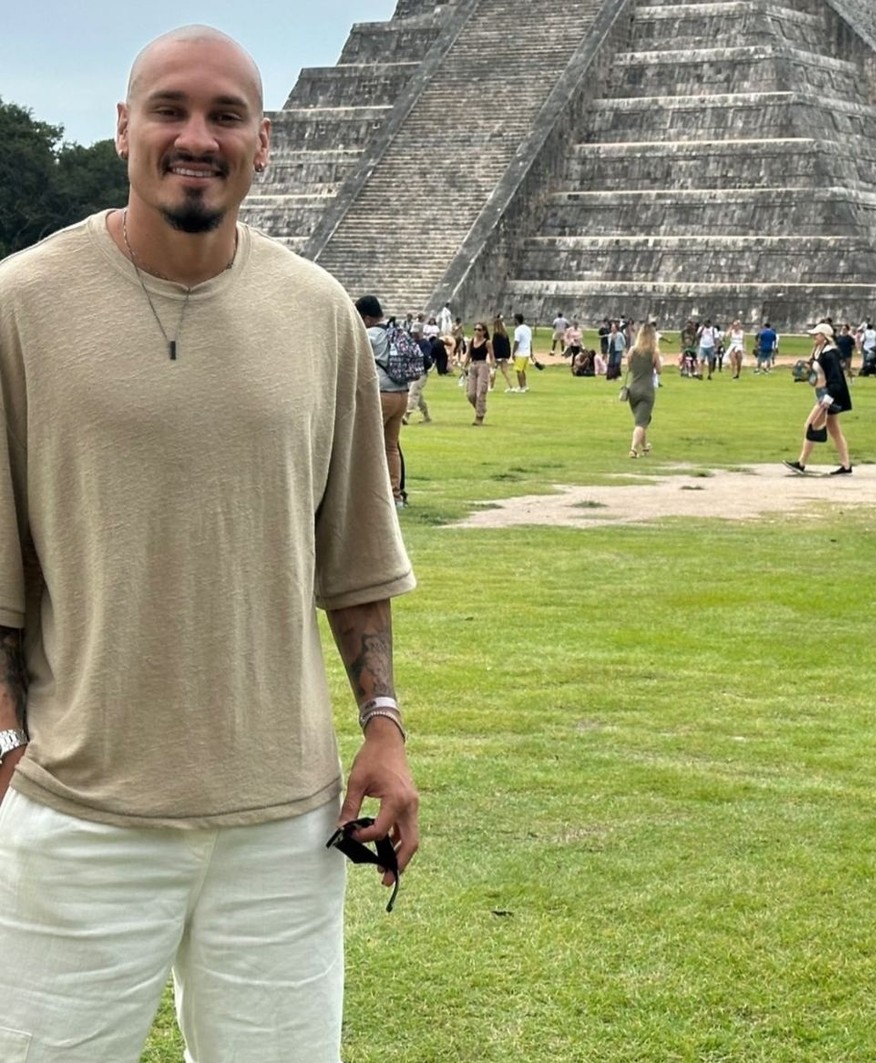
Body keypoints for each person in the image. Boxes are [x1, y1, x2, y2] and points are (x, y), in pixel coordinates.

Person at [0, 26, 419, 1063]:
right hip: (81, 810)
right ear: (123, 129)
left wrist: (384, 727)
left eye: (227, 115)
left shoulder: (319, 314)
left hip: (281, 823)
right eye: (170, 110)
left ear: (263, 142)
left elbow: (354, 565)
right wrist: (5, 747)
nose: (198, 137)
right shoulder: (21, 305)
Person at [357, 294, 410, 504]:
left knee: (366, 444)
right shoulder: (397, 331)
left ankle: (368, 494)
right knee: (391, 447)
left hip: (382, 394)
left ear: (367, 318)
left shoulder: (369, 335)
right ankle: (395, 494)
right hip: (402, 394)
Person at [784, 322, 853, 476]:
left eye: (816, 334)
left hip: (828, 396)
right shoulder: (819, 351)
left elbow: (836, 379)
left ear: (824, 336)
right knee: (835, 431)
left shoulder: (830, 355)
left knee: (810, 426)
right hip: (823, 394)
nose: (814, 337)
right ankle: (846, 465)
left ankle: (801, 463)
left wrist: (828, 397)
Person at [624, 322, 663, 458]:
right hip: (647, 389)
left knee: (642, 419)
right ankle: (633, 449)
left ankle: (645, 447)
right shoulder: (654, 352)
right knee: (640, 423)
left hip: (633, 389)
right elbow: (659, 370)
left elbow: (629, 367)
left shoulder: (632, 351)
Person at [466, 321, 494, 423]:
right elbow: (468, 355)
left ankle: (479, 417)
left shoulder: (487, 343)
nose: (477, 331)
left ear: (484, 332)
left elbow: (491, 356)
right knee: (471, 394)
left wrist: (492, 369)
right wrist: (464, 366)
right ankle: (481, 409)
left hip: (482, 366)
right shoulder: (471, 341)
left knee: (481, 391)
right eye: (475, 329)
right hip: (472, 366)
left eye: (479, 330)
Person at [490, 315, 516, 392]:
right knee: (505, 371)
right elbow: (507, 345)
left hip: (497, 356)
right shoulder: (505, 335)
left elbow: (495, 346)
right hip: (504, 356)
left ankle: (491, 387)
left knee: (493, 370)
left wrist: (493, 356)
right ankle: (511, 386)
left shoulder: (496, 335)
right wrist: (507, 355)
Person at [513, 312, 533, 392]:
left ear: (516, 320)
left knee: (519, 370)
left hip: (520, 353)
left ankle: (522, 387)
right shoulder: (528, 328)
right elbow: (530, 341)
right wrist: (531, 351)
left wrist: (513, 352)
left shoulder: (518, 330)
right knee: (522, 370)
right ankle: (524, 385)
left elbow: (516, 342)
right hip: (526, 352)